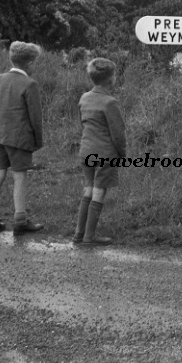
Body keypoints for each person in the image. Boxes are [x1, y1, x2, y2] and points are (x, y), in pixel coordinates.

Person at [0, 41, 45, 234]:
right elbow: (36, 117)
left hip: (0, 136)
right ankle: (20, 220)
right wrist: (37, 140)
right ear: (30, 62)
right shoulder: (30, 84)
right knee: (20, 177)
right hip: (20, 138)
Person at [73, 57, 127, 246]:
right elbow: (118, 134)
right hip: (105, 154)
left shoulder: (84, 98)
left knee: (88, 189)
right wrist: (122, 154)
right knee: (99, 191)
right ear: (111, 79)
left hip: (86, 150)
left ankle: (79, 234)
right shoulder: (110, 103)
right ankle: (90, 236)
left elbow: (83, 123)